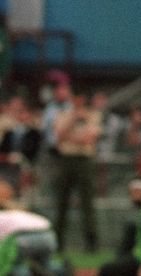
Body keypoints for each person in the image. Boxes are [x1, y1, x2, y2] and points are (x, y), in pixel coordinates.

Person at [52, 91, 102, 252]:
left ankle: (91, 242)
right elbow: (59, 136)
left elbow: (89, 139)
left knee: (87, 203)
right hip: (66, 160)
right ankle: (57, 241)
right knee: (61, 202)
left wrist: (71, 137)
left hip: (84, 160)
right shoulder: (63, 114)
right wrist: (73, 118)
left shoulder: (93, 115)